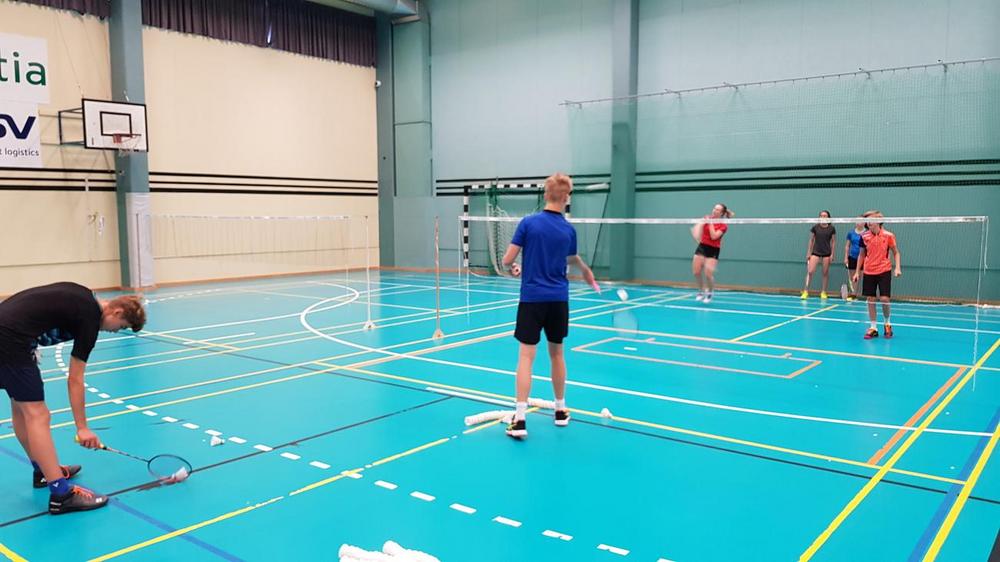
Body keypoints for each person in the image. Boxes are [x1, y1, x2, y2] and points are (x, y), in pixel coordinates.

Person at [0, 282, 146, 514]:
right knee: (38, 415)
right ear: (117, 312)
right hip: (11, 338)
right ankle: (61, 495)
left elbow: (37, 307)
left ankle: (43, 472)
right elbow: (75, 379)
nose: (115, 331)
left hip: (12, 334)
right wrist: (82, 428)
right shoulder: (90, 320)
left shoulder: (85, 295)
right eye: (121, 326)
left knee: (21, 408)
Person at [501, 173, 595, 439]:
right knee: (557, 354)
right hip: (558, 300)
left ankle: (520, 419)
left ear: (545, 194)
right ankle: (560, 410)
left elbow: (507, 259)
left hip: (532, 299)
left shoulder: (528, 223)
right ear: (567, 198)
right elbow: (572, 258)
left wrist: (514, 267)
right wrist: (585, 270)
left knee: (526, 357)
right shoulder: (569, 230)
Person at [852, 211, 902, 339]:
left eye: (872, 220)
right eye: (868, 220)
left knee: (884, 299)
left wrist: (897, 268)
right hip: (869, 271)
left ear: (879, 221)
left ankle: (887, 324)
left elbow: (896, 252)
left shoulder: (888, 235)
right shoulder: (864, 236)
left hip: (884, 270)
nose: (869, 223)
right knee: (871, 299)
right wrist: (857, 272)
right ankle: (873, 327)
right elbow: (861, 254)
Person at [690, 203, 734, 304]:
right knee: (696, 272)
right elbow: (696, 232)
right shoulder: (706, 218)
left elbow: (714, 236)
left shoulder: (723, 226)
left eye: (718, 210)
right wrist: (700, 225)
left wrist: (710, 224)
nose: (714, 210)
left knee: (708, 274)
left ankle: (710, 292)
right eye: (714, 208)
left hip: (713, 249)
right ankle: (701, 291)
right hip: (702, 246)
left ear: (722, 213)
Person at [801, 211, 836, 300]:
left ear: (828, 218)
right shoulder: (815, 227)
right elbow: (811, 240)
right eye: (821, 215)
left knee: (825, 273)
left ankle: (823, 292)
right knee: (810, 271)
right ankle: (805, 291)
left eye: (825, 216)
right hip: (816, 252)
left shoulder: (831, 229)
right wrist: (809, 252)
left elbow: (833, 242)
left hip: (826, 253)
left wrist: (832, 254)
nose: (823, 217)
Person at [843, 217, 866, 300]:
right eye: (857, 221)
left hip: (864, 258)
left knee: (863, 276)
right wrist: (846, 257)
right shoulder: (851, 233)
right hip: (852, 257)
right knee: (853, 277)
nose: (858, 222)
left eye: (861, 221)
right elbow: (847, 246)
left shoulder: (867, 233)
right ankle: (853, 294)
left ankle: (868, 295)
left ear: (864, 223)